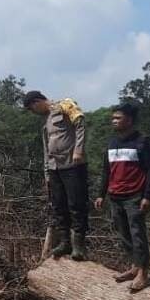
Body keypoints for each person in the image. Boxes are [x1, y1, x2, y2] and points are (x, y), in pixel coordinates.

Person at [94, 103, 150, 292]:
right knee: (124, 234)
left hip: (134, 196)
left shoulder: (143, 142)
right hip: (115, 196)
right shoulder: (112, 143)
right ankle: (134, 267)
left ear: (129, 120)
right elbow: (107, 171)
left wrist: (148, 196)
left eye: (118, 118)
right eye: (113, 118)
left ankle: (143, 273)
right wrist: (101, 194)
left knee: (138, 234)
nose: (114, 121)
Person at [23, 90, 88, 260]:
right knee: (59, 206)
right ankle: (64, 243)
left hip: (72, 165)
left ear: (37, 102)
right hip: (54, 168)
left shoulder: (64, 105)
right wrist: (46, 173)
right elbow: (46, 149)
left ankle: (78, 246)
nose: (32, 112)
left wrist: (78, 150)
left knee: (76, 205)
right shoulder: (45, 121)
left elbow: (80, 122)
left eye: (31, 108)